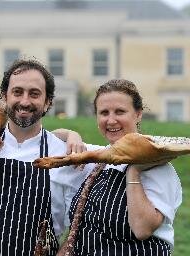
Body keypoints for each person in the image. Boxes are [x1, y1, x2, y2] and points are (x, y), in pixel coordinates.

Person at [0, 58, 99, 255]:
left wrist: (71, 134)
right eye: (17, 92)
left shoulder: (65, 153)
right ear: (4, 97)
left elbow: (123, 154)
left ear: (48, 103)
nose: (25, 101)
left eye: (35, 94)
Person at [58, 79, 182, 255]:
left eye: (120, 112)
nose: (111, 120)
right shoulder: (101, 157)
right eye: (104, 113)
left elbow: (141, 229)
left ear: (138, 114)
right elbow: (51, 137)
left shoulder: (159, 169)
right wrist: (72, 135)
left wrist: (134, 171)